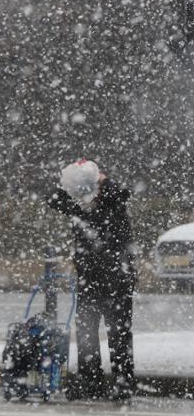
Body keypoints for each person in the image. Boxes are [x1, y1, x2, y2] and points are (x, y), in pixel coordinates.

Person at [46, 160, 136, 401]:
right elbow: (53, 199)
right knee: (87, 332)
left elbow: (119, 192)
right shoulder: (81, 208)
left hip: (117, 279)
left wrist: (102, 180)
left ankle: (122, 384)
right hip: (91, 279)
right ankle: (92, 382)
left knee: (118, 334)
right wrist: (71, 180)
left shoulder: (113, 202)